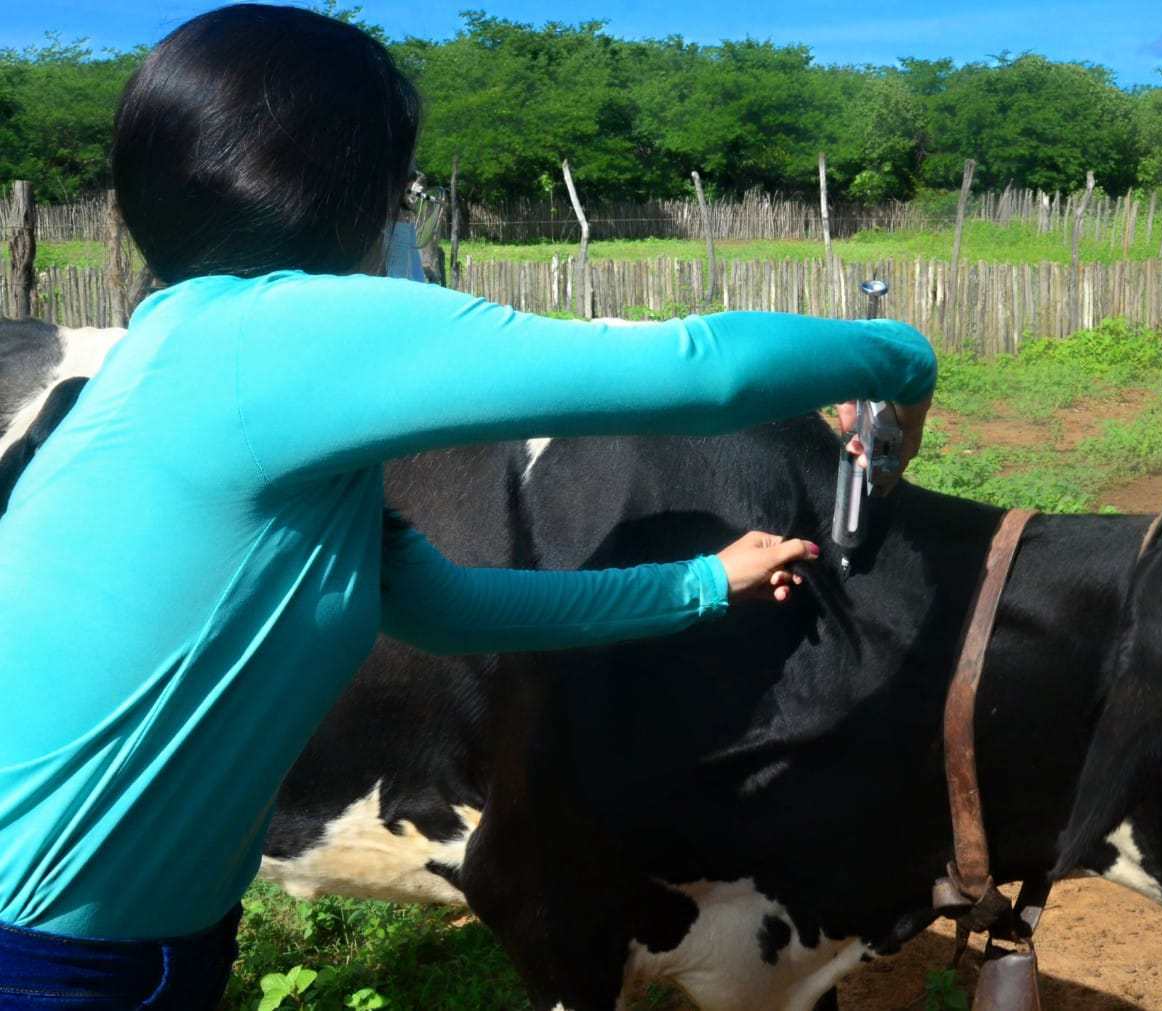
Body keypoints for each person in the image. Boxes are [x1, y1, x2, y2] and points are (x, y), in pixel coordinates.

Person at [0, 4, 936, 1008]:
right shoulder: (280, 338)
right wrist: (901, 359)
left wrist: (706, 582)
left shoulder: (173, 353)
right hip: (56, 966)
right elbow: (697, 370)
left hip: (131, 944)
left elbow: (454, 610)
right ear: (351, 191)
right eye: (400, 187)